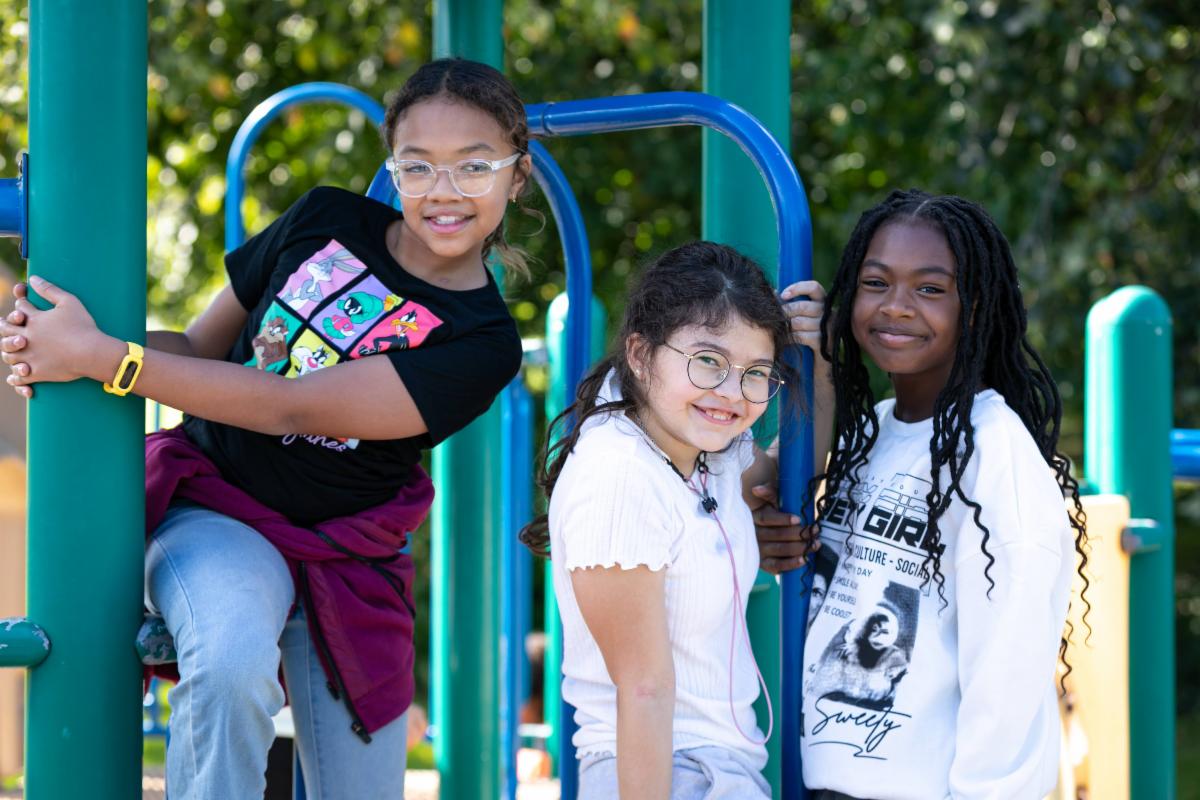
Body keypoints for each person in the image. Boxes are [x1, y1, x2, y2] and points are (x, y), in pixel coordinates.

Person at [0, 57, 532, 799]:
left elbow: (293, 404)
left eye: (474, 167)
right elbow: (196, 348)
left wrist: (103, 358)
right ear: (393, 168)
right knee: (230, 659)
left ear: (517, 174)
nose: (444, 192)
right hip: (220, 508)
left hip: (347, 556)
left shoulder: (481, 343)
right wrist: (62, 345)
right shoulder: (324, 217)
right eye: (419, 167)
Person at [763, 189, 1088, 800]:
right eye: (875, 282)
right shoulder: (873, 433)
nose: (897, 308)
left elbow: (1007, 678)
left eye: (931, 289)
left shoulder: (994, 455)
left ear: (977, 307)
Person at [519, 241, 826, 799]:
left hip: (712, 768)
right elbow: (644, 690)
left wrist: (822, 361)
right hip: (666, 772)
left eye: (755, 372)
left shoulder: (706, 448)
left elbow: (787, 474)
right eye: (707, 361)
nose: (731, 393)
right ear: (640, 354)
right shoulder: (620, 478)